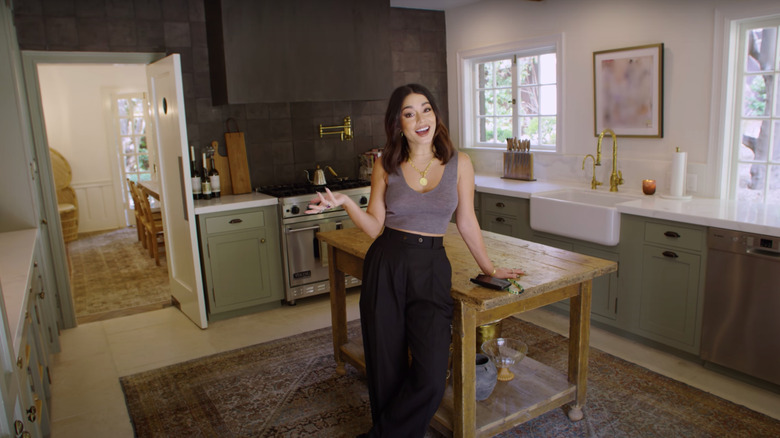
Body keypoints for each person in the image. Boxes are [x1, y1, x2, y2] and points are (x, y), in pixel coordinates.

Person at [306, 83, 522, 437]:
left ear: (436, 114)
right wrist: (346, 203)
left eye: (426, 109)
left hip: (432, 268)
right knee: (386, 369)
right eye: (409, 113)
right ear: (398, 123)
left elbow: (466, 221)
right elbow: (375, 226)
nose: (420, 119)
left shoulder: (459, 163)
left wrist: (490, 269)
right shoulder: (385, 164)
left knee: (432, 376)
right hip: (387, 265)